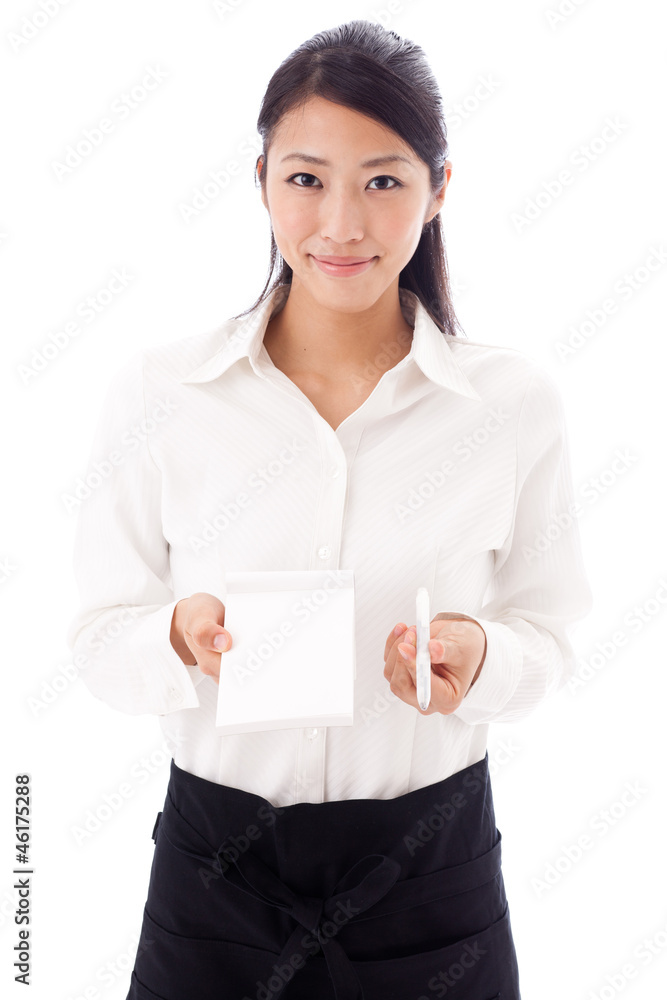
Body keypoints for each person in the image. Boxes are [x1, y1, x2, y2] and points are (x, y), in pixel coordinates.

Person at [66, 19, 593, 1000]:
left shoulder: (512, 405)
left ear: (440, 190)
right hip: (214, 878)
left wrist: (482, 656)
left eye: (383, 181)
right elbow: (97, 638)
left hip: (430, 875)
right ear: (262, 180)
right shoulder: (160, 392)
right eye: (307, 179)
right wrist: (176, 636)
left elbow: (552, 633)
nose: (342, 224)